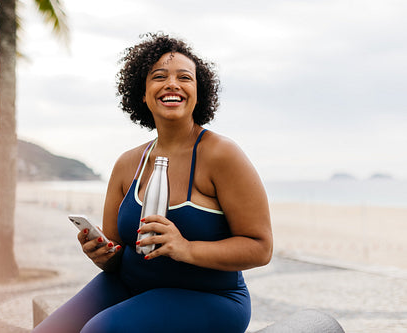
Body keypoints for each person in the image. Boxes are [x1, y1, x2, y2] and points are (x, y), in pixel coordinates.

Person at [32, 32, 272, 333]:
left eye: (185, 77)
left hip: (211, 297)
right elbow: (116, 253)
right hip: (130, 284)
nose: (172, 83)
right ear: (143, 93)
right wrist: (100, 254)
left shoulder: (222, 155)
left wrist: (185, 248)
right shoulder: (128, 164)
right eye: (159, 76)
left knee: (100, 330)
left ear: (198, 92)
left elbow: (261, 248)